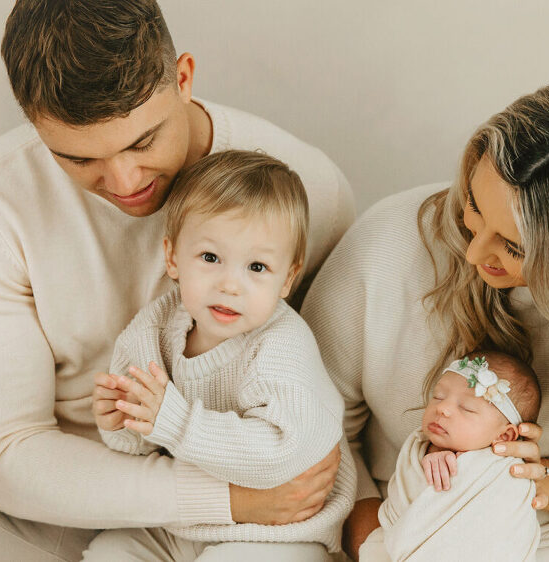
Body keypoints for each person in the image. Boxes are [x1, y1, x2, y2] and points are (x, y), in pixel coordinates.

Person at [0, 1, 354, 560]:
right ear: (34, 124)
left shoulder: (304, 188)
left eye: (142, 142)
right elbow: (11, 455)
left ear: (183, 78)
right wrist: (224, 499)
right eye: (79, 158)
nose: (125, 181)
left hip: (275, 513)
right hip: (68, 517)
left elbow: (333, 402)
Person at [301, 80, 549, 561]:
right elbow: (314, 421)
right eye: (473, 206)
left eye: (513, 247)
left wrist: (544, 482)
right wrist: (371, 539)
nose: (472, 251)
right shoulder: (385, 242)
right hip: (398, 510)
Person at [84, 150, 356, 559]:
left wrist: (172, 421)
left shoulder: (280, 346)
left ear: (288, 278)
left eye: (258, 267)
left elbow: (279, 457)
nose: (231, 285)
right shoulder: (154, 328)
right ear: (173, 257)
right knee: (109, 551)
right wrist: (123, 422)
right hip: (191, 522)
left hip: (284, 531)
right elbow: (142, 443)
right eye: (210, 258)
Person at [358, 351, 541, 561]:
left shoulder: (502, 472)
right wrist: (429, 455)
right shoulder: (419, 446)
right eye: (438, 396)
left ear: (504, 435)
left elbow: (495, 535)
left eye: (466, 408)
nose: (442, 408)